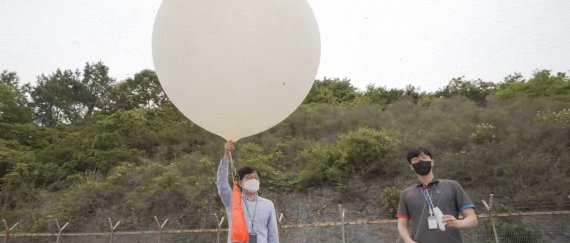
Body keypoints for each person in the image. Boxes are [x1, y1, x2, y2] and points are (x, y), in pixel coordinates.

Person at [397, 147, 478, 243]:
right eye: (415, 159)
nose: (420, 161)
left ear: (432, 162)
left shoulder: (452, 186)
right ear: (411, 166)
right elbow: (402, 223)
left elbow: (473, 219)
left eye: (424, 157)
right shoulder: (406, 194)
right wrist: (408, 240)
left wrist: (458, 223)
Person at [217, 140, 279, 243]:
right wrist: (226, 154)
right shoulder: (233, 201)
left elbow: (273, 235)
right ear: (240, 183)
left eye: (256, 178)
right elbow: (222, 184)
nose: (253, 180)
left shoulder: (268, 204)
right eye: (249, 178)